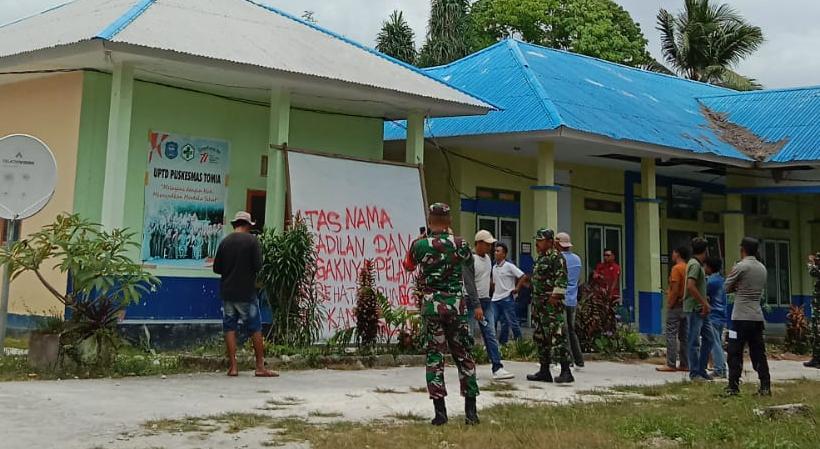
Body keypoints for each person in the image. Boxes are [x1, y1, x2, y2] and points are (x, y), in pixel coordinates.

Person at [403, 203, 480, 426]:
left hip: (432, 307)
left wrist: (422, 241)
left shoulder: (420, 245)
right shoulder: (461, 244)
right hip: (456, 307)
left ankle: (440, 413)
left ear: (429, 220)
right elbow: (468, 264)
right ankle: (471, 413)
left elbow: (408, 266)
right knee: (464, 356)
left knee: (435, 357)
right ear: (449, 221)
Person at [212, 211, 277, 378]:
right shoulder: (252, 241)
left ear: (235, 224)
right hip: (247, 293)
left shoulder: (225, 242)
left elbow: (216, 268)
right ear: (247, 225)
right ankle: (260, 367)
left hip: (227, 293)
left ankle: (233, 367)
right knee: (255, 328)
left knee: (229, 327)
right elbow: (258, 266)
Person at [724, 237, 771, 396]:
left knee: (734, 351)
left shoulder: (741, 266)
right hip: (757, 316)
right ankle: (765, 386)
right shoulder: (762, 268)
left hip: (740, 317)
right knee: (758, 352)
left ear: (742, 249)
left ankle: (733, 386)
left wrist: (735, 286)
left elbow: (726, 286)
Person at [527, 228, 573, 383]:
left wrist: (555, 296)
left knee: (557, 337)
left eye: (540, 240)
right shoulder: (541, 258)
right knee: (541, 337)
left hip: (551, 306)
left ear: (549, 241)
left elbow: (562, 278)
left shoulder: (556, 257)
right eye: (537, 240)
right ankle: (544, 370)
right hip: (539, 306)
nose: (537, 244)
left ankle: (566, 371)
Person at [470, 230, 515, 380]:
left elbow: (486, 278)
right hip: (471, 301)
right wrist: (476, 305)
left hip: (486, 301)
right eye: (488, 244)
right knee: (467, 335)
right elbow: (469, 284)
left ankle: (497, 367)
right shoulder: (470, 259)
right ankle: (467, 368)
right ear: (479, 243)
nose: (490, 247)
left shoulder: (488, 259)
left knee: (490, 333)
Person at [684, 237, 714, 381]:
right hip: (696, 308)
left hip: (702, 308)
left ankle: (701, 369)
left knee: (709, 338)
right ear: (705, 250)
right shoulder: (695, 265)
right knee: (694, 341)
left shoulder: (697, 265)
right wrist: (704, 302)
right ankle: (694, 372)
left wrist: (704, 300)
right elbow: (690, 286)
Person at [657, 246, 690, 372]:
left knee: (671, 334)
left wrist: (670, 303)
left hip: (675, 305)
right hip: (685, 305)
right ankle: (685, 363)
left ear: (677, 253)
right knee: (684, 336)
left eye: (673, 251)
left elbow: (675, 289)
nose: (672, 254)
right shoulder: (688, 268)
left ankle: (670, 363)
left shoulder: (676, 268)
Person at [491, 242, 528, 344]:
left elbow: (523, 276)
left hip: (506, 297)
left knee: (510, 322)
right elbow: (494, 282)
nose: (495, 253)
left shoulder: (509, 266)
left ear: (504, 254)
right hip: (495, 298)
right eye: (495, 251)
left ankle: (519, 343)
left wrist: (517, 288)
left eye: (498, 251)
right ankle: (496, 343)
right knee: (492, 321)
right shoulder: (494, 267)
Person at [557, 232, 584, 368]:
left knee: (562, 331)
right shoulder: (577, 259)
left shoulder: (559, 259)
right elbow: (578, 280)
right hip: (572, 299)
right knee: (571, 330)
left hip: (561, 299)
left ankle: (568, 360)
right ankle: (579, 359)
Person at [704, 257, 727, 378]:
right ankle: (721, 367)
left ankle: (719, 369)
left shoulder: (710, 281)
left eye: (705, 266)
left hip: (713, 315)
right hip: (722, 315)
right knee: (718, 342)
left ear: (709, 267)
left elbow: (704, 295)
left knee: (715, 343)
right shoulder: (721, 280)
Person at [805, 253, 820, 369]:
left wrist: (810, 264)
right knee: (815, 333)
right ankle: (815, 358)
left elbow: (813, 272)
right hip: (817, 306)